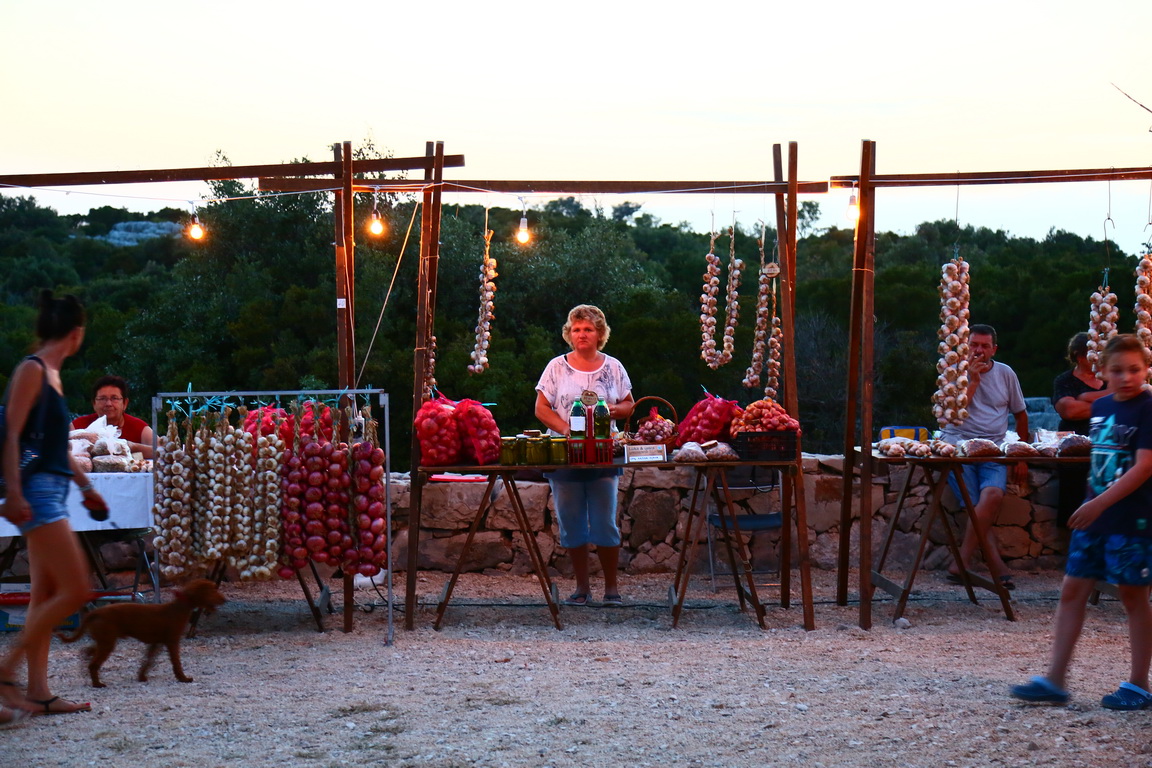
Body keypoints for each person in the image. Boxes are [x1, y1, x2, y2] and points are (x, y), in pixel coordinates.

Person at [1010, 334, 1152, 710]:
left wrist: (1098, 504)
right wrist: (1090, 501)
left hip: (1129, 520)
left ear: (1146, 370)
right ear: (1102, 372)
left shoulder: (1148, 408)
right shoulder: (1103, 407)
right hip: (1095, 518)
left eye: (1135, 370)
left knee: (1133, 597)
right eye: (1118, 370)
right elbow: (1101, 459)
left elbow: (1144, 467)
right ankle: (1055, 679)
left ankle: (1139, 683)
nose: (1127, 377)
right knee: (1072, 590)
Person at [0, 290, 105, 725]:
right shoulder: (33, 370)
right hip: (38, 493)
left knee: (45, 595)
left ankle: (39, 693)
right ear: (76, 333)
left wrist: (85, 487)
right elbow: (10, 434)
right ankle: (5, 675)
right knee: (76, 590)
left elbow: (54, 450)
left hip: (54, 488)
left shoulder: (53, 376)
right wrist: (15, 493)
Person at [534, 305, 634, 606]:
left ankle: (612, 589)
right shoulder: (556, 367)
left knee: (605, 521)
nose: (582, 334)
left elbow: (630, 404)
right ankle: (581, 588)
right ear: (569, 333)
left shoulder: (613, 367)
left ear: (600, 334)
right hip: (566, 455)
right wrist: (567, 430)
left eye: (588, 329)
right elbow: (541, 408)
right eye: (577, 329)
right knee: (571, 522)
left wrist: (610, 410)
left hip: (604, 454)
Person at [940, 323, 1031, 590]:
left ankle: (962, 560)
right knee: (973, 503)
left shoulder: (1006, 373)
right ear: (966, 346)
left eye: (984, 345)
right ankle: (997, 565)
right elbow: (951, 414)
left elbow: (1021, 414)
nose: (978, 350)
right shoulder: (952, 370)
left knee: (991, 496)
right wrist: (973, 381)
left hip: (993, 447)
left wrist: (1022, 455)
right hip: (958, 445)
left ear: (994, 349)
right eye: (974, 344)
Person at [1051, 332, 1109, 527]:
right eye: (1091, 354)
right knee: (1074, 510)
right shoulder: (1064, 380)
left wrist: (1085, 397)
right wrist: (1109, 401)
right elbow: (1070, 411)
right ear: (1078, 356)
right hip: (1073, 456)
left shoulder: (1111, 379)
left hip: (1106, 453)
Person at [71, 375, 154, 459]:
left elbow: (162, 451)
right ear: (94, 403)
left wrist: (132, 447)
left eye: (114, 398)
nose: (108, 404)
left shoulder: (138, 427)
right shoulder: (78, 426)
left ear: (125, 403)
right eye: (102, 398)